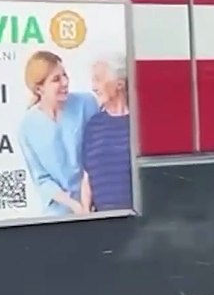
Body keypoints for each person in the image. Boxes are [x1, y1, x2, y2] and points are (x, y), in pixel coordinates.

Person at [17, 51, 100, 216]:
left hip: (95, 203)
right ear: (39, 88)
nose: (65, 82)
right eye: (56, 79)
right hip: (58, 210)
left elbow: (98, 156)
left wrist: (86, 203)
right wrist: (73, 205)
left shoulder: (86, 103)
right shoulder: (27, 126)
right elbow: (41, 179)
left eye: (65, 75)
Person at [80, 53, 134, 213]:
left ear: (119, 83)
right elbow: (87, 177)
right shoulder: (94, 125)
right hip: (103, 220)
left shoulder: (139, 123)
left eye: (98, 79)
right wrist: (85, 213)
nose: (93, 87)